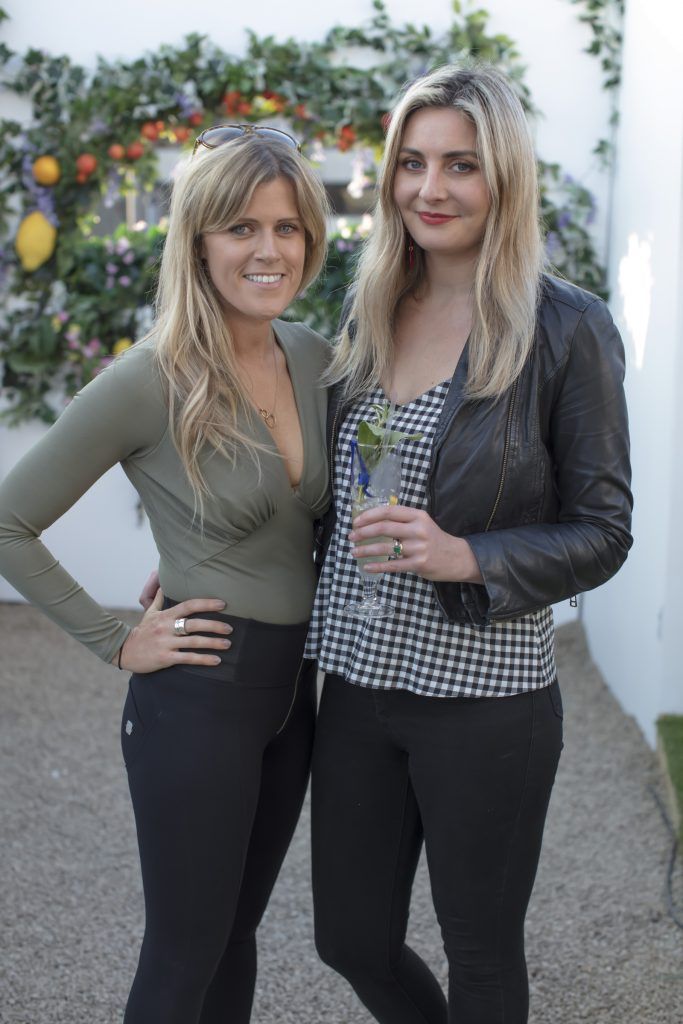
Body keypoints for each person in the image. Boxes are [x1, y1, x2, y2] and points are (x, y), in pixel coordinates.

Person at [305, 63, 632, 1024]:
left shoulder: (564, 328)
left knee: (481, 956)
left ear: (505, 178)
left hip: (486, 702)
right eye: (410, 163)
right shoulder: (366, 309)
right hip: (359, 684)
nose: (429, 190)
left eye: (459, 165)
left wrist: (470, 558)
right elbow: (326, 495)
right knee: (350, 938)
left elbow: (604, 529)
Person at [0, 125, 331, 1023]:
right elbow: (8, 520)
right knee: (182, 955)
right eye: (240, 228)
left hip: (293, 696)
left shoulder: (314, 357)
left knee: (235, 938)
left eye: (288, 226)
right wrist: (116, 639)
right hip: (199, 699)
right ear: (196, 240)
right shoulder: (151, 378)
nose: (269, 249)